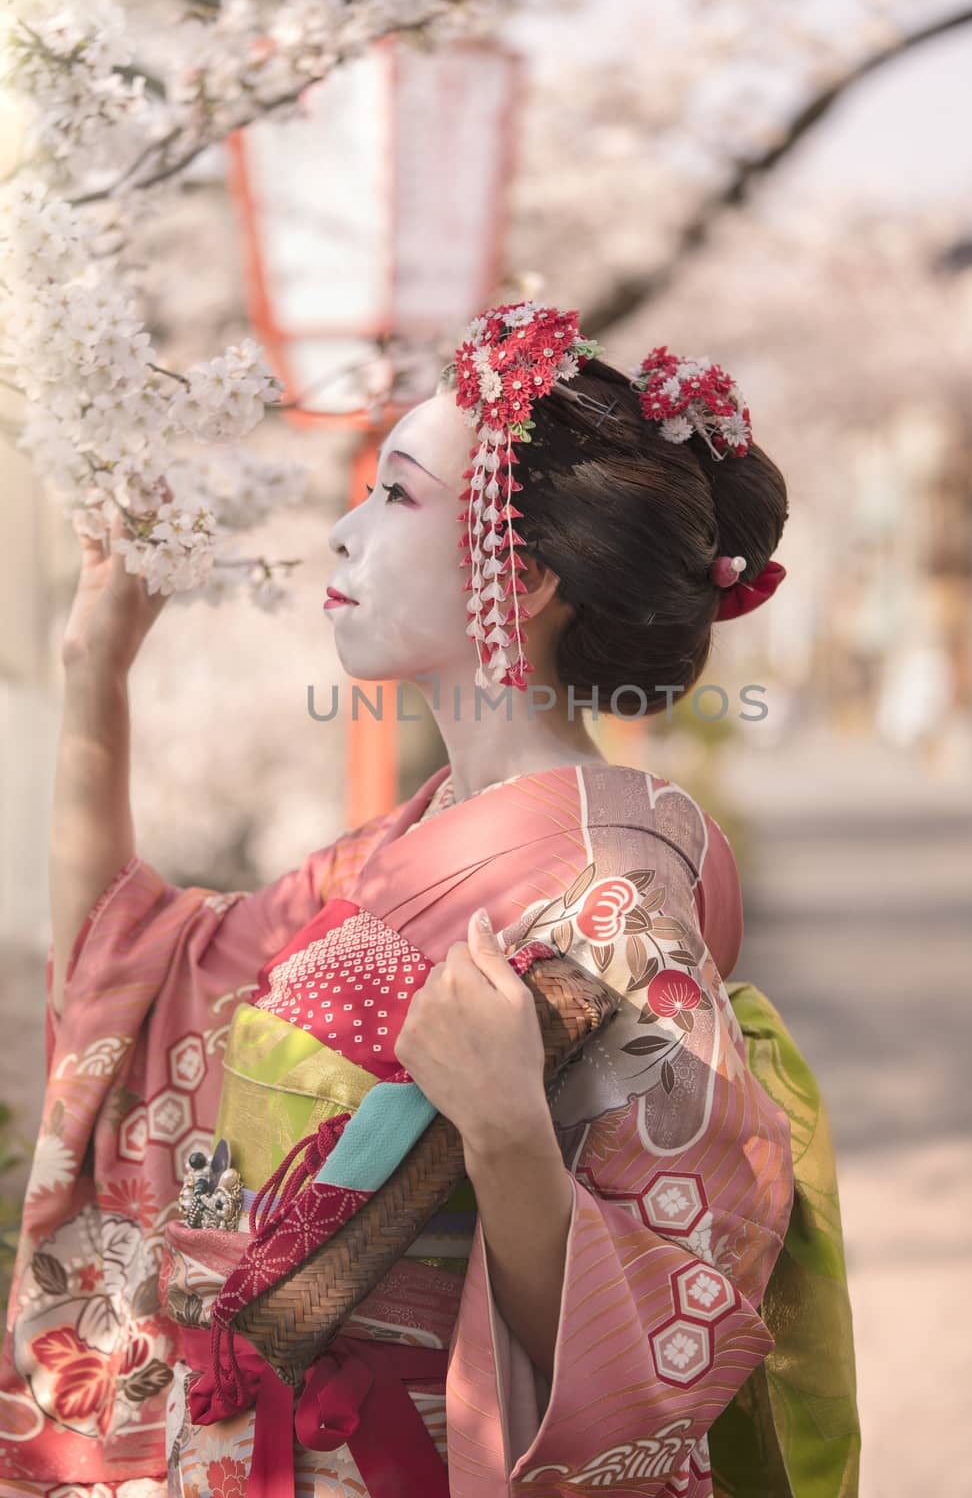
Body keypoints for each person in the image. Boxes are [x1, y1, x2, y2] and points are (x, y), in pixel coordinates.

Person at [1, 303, 860, 1496]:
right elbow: (138, 980)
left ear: (530, 572)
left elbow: (657, 1341)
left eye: (395, 495)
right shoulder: (414, 838)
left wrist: (508, 1128)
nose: (341, 536)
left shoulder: (609, 894)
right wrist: (95, 668)